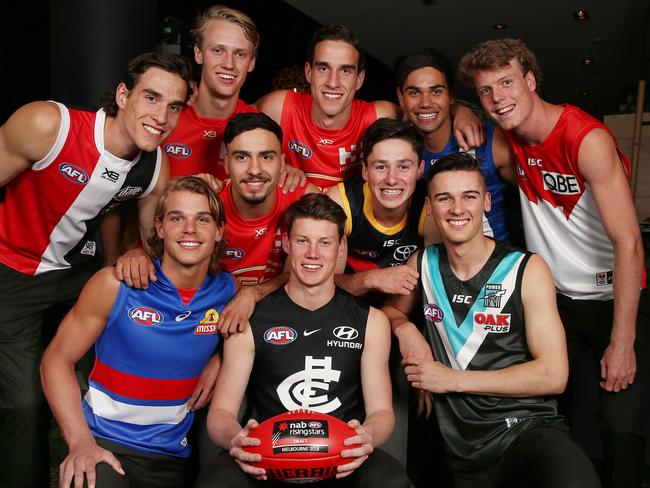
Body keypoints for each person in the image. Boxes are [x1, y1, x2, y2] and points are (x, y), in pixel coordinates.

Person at [458, 38, 649, 488]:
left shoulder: (587, 139)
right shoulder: (508, 137)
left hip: (617, 301)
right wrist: (462, 110)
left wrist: (622, 343)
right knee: (573, 432)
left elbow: (629, 243)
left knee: (622, 427)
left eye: (506, 83)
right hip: (562, 308)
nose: (498, 98)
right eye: (486, 91)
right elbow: (445, 120)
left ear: (530, 81)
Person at [0, 52, 193, 487]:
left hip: (76, 273)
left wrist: (134, 254)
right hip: (13, 269)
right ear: (123, 95)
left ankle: (125, 459)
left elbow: (153, 243)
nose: (161, 116)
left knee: (127, 341)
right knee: (21, 405)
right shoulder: (49, 126)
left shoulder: (154, 165)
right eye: (151, 98)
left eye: (175, 106)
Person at [383, 152, 600, 488]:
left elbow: (554, 375)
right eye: (445, 198)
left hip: (526, 430)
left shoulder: (526, 268)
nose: (457, 209)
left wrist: (450, 379)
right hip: (461, 447)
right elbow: (390, 311)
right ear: (428, 206)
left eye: (469, 196)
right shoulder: (422, 264)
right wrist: (407, 330)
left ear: (486, 202)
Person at [195, 193, 411, 488]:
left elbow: (382, 412)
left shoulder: (371, 321)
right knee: (217, 481)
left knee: (391, 480)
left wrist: (366, 437)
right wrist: (237, 438)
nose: (313, 253)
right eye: (302, 241)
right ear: (286, 242)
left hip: (341, 459)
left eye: (325, 242)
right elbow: (221, 413)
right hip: (269, 458)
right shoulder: (252, 320)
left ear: (340, 247)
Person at [41, 176, 236, 488]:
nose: (190, 229)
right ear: (158, 227)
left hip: (171, 456)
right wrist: (80, 444)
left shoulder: (229, 292)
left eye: (203, 219)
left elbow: (279, 290)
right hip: (103, 446)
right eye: (177, 218)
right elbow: (55, 361)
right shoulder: (114, 285)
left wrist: (221, 357)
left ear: (219, 231)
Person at [256, 24, 483, 189]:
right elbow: (230, 121)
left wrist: (460, 110)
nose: (333, 82)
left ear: (360, 79)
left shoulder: (377, 116)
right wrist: (272, 164)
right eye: (323, 68)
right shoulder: (281, 106)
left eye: (345, 70)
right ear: (308, 72)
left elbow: (424, 111)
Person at [396, 48, 515, 242]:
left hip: (497, 264)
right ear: (401, 98)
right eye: (414, 92)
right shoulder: (398, 148)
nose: (425, 103)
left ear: (451, 95)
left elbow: (539, 199)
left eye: (436, 91)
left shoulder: (488, 140)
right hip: (436, 266)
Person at [216, 112, 319, 335]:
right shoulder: (208, 206)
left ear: (282, 163)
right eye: (242, 157)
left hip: (286, 317)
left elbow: (314, 278)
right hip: (218, 317)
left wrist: (252, 293)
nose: (255, 169)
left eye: (266, 157)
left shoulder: (303, 199)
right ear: (226, 164)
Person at [325, 117, 428, 298]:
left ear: (420, 170)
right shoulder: (342, 203)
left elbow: (436, 284)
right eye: (381, 167)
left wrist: (397, 319)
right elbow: (322, 284)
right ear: (365, 170)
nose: (392, 179)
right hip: (348, 304)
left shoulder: (430, 207)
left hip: (406, 305)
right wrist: (370, 279)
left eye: (403, 166)